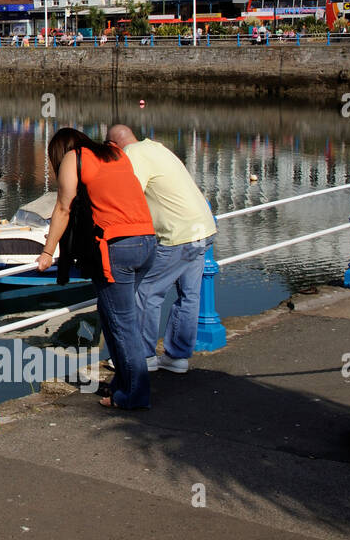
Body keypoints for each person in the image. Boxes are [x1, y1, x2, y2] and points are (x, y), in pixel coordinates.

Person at [37, 128, 157, 409]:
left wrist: (47, 251)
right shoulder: (115, 154)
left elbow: (63, 208)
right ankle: (121, 387)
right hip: (147, 242)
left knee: (122, 324)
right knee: (113, 315)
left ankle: (136, 396)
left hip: (118, 247)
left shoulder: (73, 157)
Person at [108, 125, 217, 374]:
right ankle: (177, 357)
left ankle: (143, 356)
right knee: (189, 295)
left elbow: (126, 195)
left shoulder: (132, 155)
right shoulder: (157, 147)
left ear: (114, 146)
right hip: (203, 229)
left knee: (147, 293)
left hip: (178, 235)